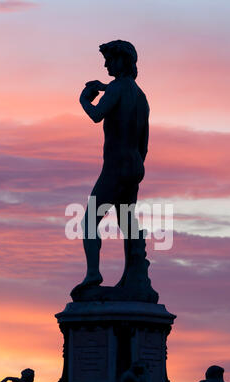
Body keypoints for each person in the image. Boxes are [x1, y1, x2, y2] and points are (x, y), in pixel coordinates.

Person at [75, 40, 150, 290]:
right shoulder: (140, 96)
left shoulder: (116, 89)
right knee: (127, 222)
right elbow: (144, 144)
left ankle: (93, 274)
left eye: (109, 59)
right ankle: (133, 277)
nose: (106, 63)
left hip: (116, 165)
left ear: (122, 60)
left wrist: (84, 100)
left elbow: (97, 115)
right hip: (135, 165)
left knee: (88, 221)